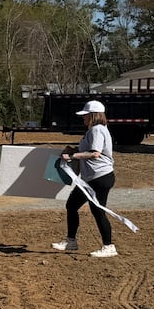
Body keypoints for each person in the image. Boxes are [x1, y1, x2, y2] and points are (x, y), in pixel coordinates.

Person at [52, 100, 117, 258]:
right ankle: (71, 241)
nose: (83, 118)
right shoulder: (95, 130)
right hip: (91, 178)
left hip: (99, 177)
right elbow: (89, 151)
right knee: (72, 205)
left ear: (93, 116)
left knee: (98, 211)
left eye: (85, 115)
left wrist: (72, 156)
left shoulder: (96, 130)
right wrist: (74, 151)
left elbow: (95, 153)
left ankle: (109, 246)